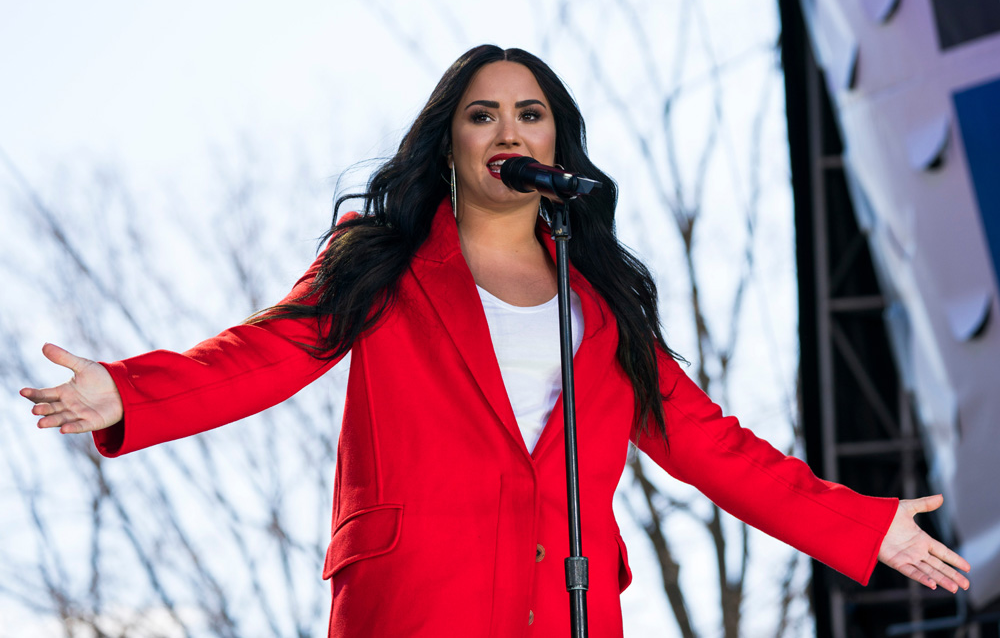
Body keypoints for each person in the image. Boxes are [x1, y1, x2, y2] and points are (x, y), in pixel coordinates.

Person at [21, 45, 970, 637]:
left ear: (556, 147)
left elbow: (711, 445)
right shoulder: (382, 263)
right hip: (414, 603)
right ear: (452, 145)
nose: (507, 129)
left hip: (565, 603)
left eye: (530, 114)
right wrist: (130, 391)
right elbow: (265, 352)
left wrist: (857, 522)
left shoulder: (606, 305)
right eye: (484, 114)